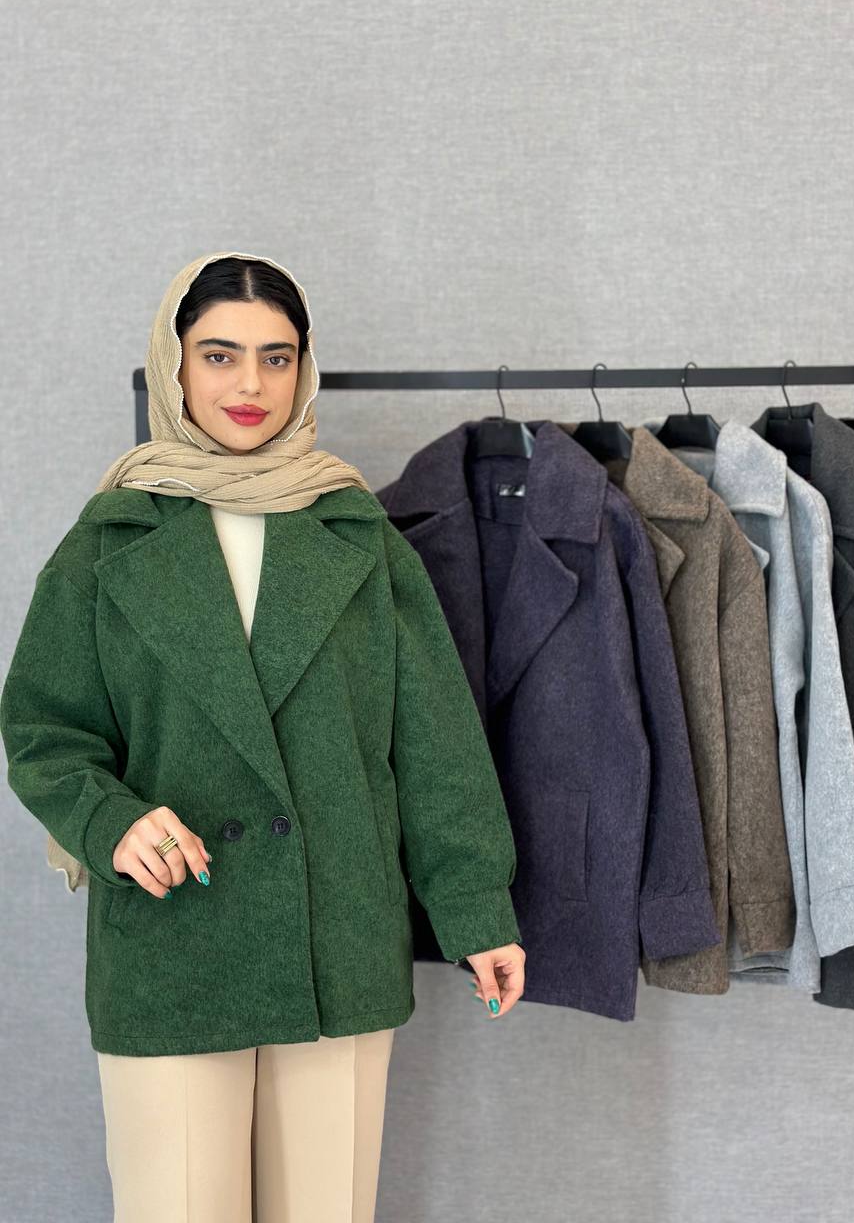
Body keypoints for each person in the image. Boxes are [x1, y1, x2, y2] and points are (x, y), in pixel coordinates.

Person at [0, 250, 526, 1222]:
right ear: (175, 365)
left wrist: (477, 909)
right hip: (172, 936)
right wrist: (111, 822)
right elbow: (42, 728)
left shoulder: (358, 534)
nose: (250, 384)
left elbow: (434, 744)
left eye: (276, 357)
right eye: (220, 354)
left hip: (336, 935)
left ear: (303, 369)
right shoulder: (108, 540)